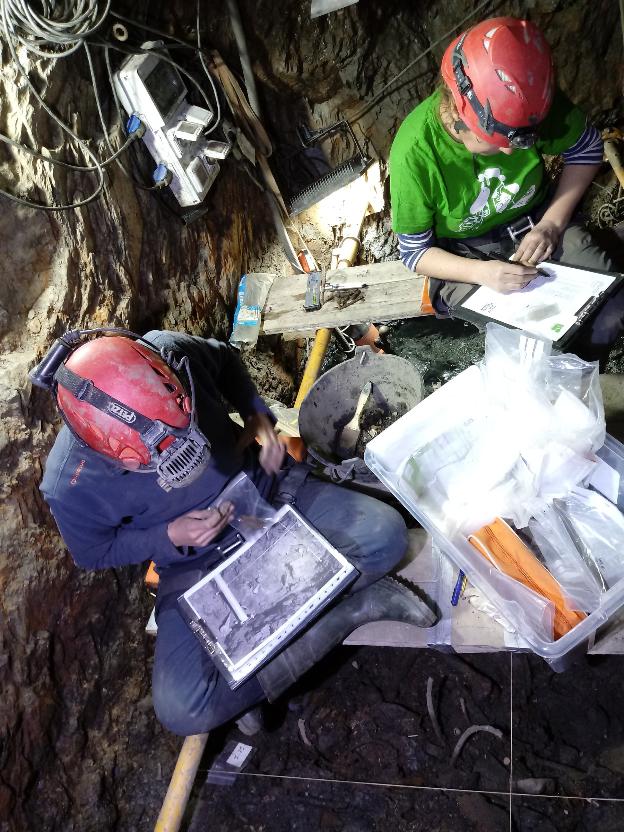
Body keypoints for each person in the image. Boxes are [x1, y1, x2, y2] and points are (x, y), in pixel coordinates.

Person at [36, 328, 435, 736]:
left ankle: (248, 678)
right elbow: (93, 553)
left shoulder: (170, 351)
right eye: (159, 456)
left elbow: (225, 359)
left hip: (267, 497)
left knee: (385, 535)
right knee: (182, 711)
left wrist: (256, 413)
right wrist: (168, 536)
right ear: (106, 449)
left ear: (169, 379)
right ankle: (354, 610)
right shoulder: (70, 483)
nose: (183, 451)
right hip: (197, 562)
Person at [390, 16, 624, 365]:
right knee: (527, 348)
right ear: (459, 116)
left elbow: (587, 148)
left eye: (518, 139)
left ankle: (583, 373)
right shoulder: (415, 153)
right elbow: (413, 252)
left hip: (536, 220)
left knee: (610, 308)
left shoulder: (523, 102)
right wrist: (483, 273)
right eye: (496, 141)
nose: (511, 151)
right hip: (466, 253)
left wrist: (552, 224)